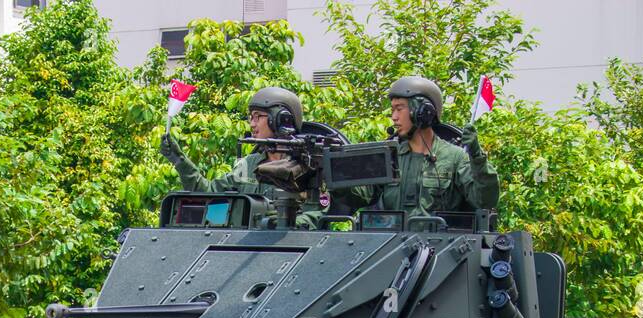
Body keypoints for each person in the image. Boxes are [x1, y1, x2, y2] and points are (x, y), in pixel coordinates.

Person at [338, 76, 500, 223]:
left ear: (423, 112)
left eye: (399, 108)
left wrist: (477, 157)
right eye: (392, 109)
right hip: (389, 247)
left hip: (439, 249)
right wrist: (336, 178)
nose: (394, 117)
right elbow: (360, 196)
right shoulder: (389, 157)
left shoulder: (454, 158)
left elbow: (484, 200)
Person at [160, 87, 324, 229]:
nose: (252, 124)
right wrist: (179, 159)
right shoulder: (249, 164)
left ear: (281, 119)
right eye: (250, 117)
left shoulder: (308, 165)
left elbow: (319, 214)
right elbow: (209, 193)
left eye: (258, 117)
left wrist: (290, 222)